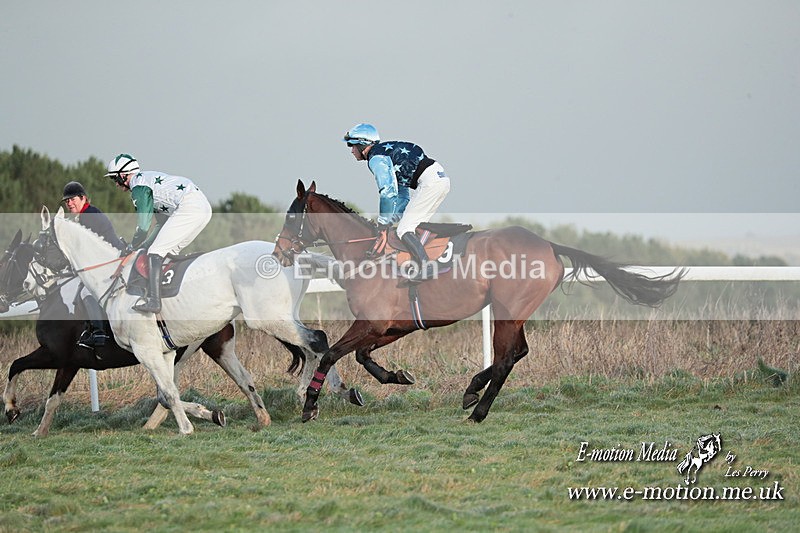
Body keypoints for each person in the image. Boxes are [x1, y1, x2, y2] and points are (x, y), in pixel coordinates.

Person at [105, 154, 212, 313]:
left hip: (189, 206)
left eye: (115, 179)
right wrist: (143, 246)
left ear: (123, 175)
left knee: (156, 252)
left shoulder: (138, 186)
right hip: (203, 207)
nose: (115, 184)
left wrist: (132, 246)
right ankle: (172, 297)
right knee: (167, 252)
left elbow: (143, 227)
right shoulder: (146, 181)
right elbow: (161, 224)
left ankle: (154, 301)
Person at [343, 123, 451, 281]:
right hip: (440, 179)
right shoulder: (387, 152)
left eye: (352, 145)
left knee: (404, 230)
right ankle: (420, 262)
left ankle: (426, 267)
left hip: (430, 183)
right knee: (411, 227)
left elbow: (387, 192)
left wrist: (382, 222)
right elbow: (402, 196)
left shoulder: (376, 158)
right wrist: (390, 221)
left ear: (363, 144)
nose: (352, 151)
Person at [61, 181, 125, 349]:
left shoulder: (88, 216)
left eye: (72, 199)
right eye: (67, 201)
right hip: (107, 260)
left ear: (83, 198)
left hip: (111, 262)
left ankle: (99, 332)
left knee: (85, 290)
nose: (69, 203)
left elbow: (86, 251)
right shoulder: (86, 215)